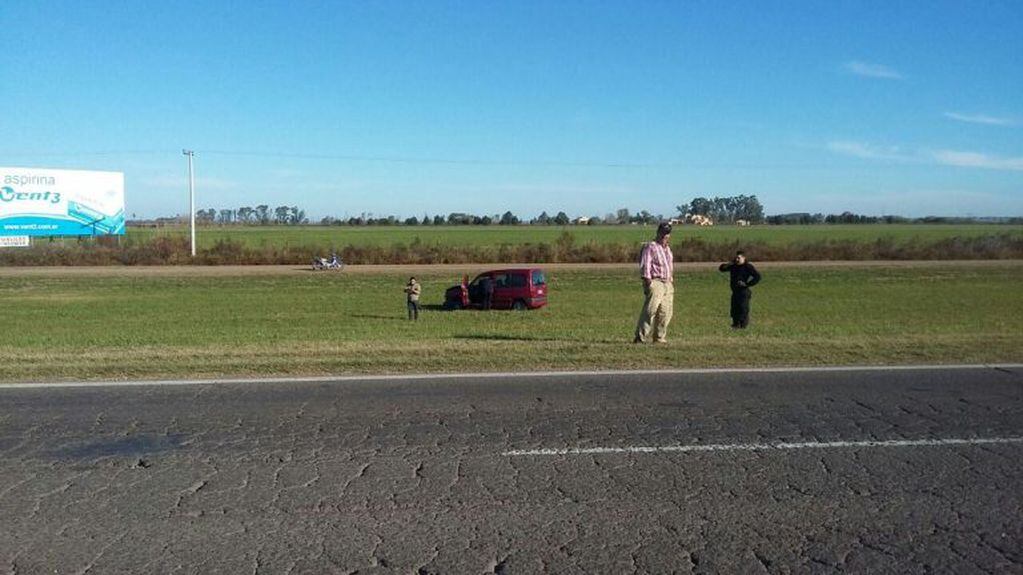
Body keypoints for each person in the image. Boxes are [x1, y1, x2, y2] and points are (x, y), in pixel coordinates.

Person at [634, 222, 674, 343]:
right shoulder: (651, 247)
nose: (664, 236)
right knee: (650, 310)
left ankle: (659, 337)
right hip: (655, 282)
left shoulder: (667, 249)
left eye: (667, 234)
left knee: (665, 312)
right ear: (658, 232)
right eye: (662, 233)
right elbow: (645, 264)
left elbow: (670, 266)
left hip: (667, 283)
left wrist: (671, 281)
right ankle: (640, 337)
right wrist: (648, 281)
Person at [718, 250, 761, 329]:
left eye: (738, 258)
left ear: (744, 258)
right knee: (735, 309)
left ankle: (743, 325)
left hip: (744, 292)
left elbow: (757, 277)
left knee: (743, 308)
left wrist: (747, 284)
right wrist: (731, 263)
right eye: (736, 258)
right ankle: (735, 324)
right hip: (735, 291)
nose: (737, 259)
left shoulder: (748, 267)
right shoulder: (734, 266)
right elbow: (721, 269)